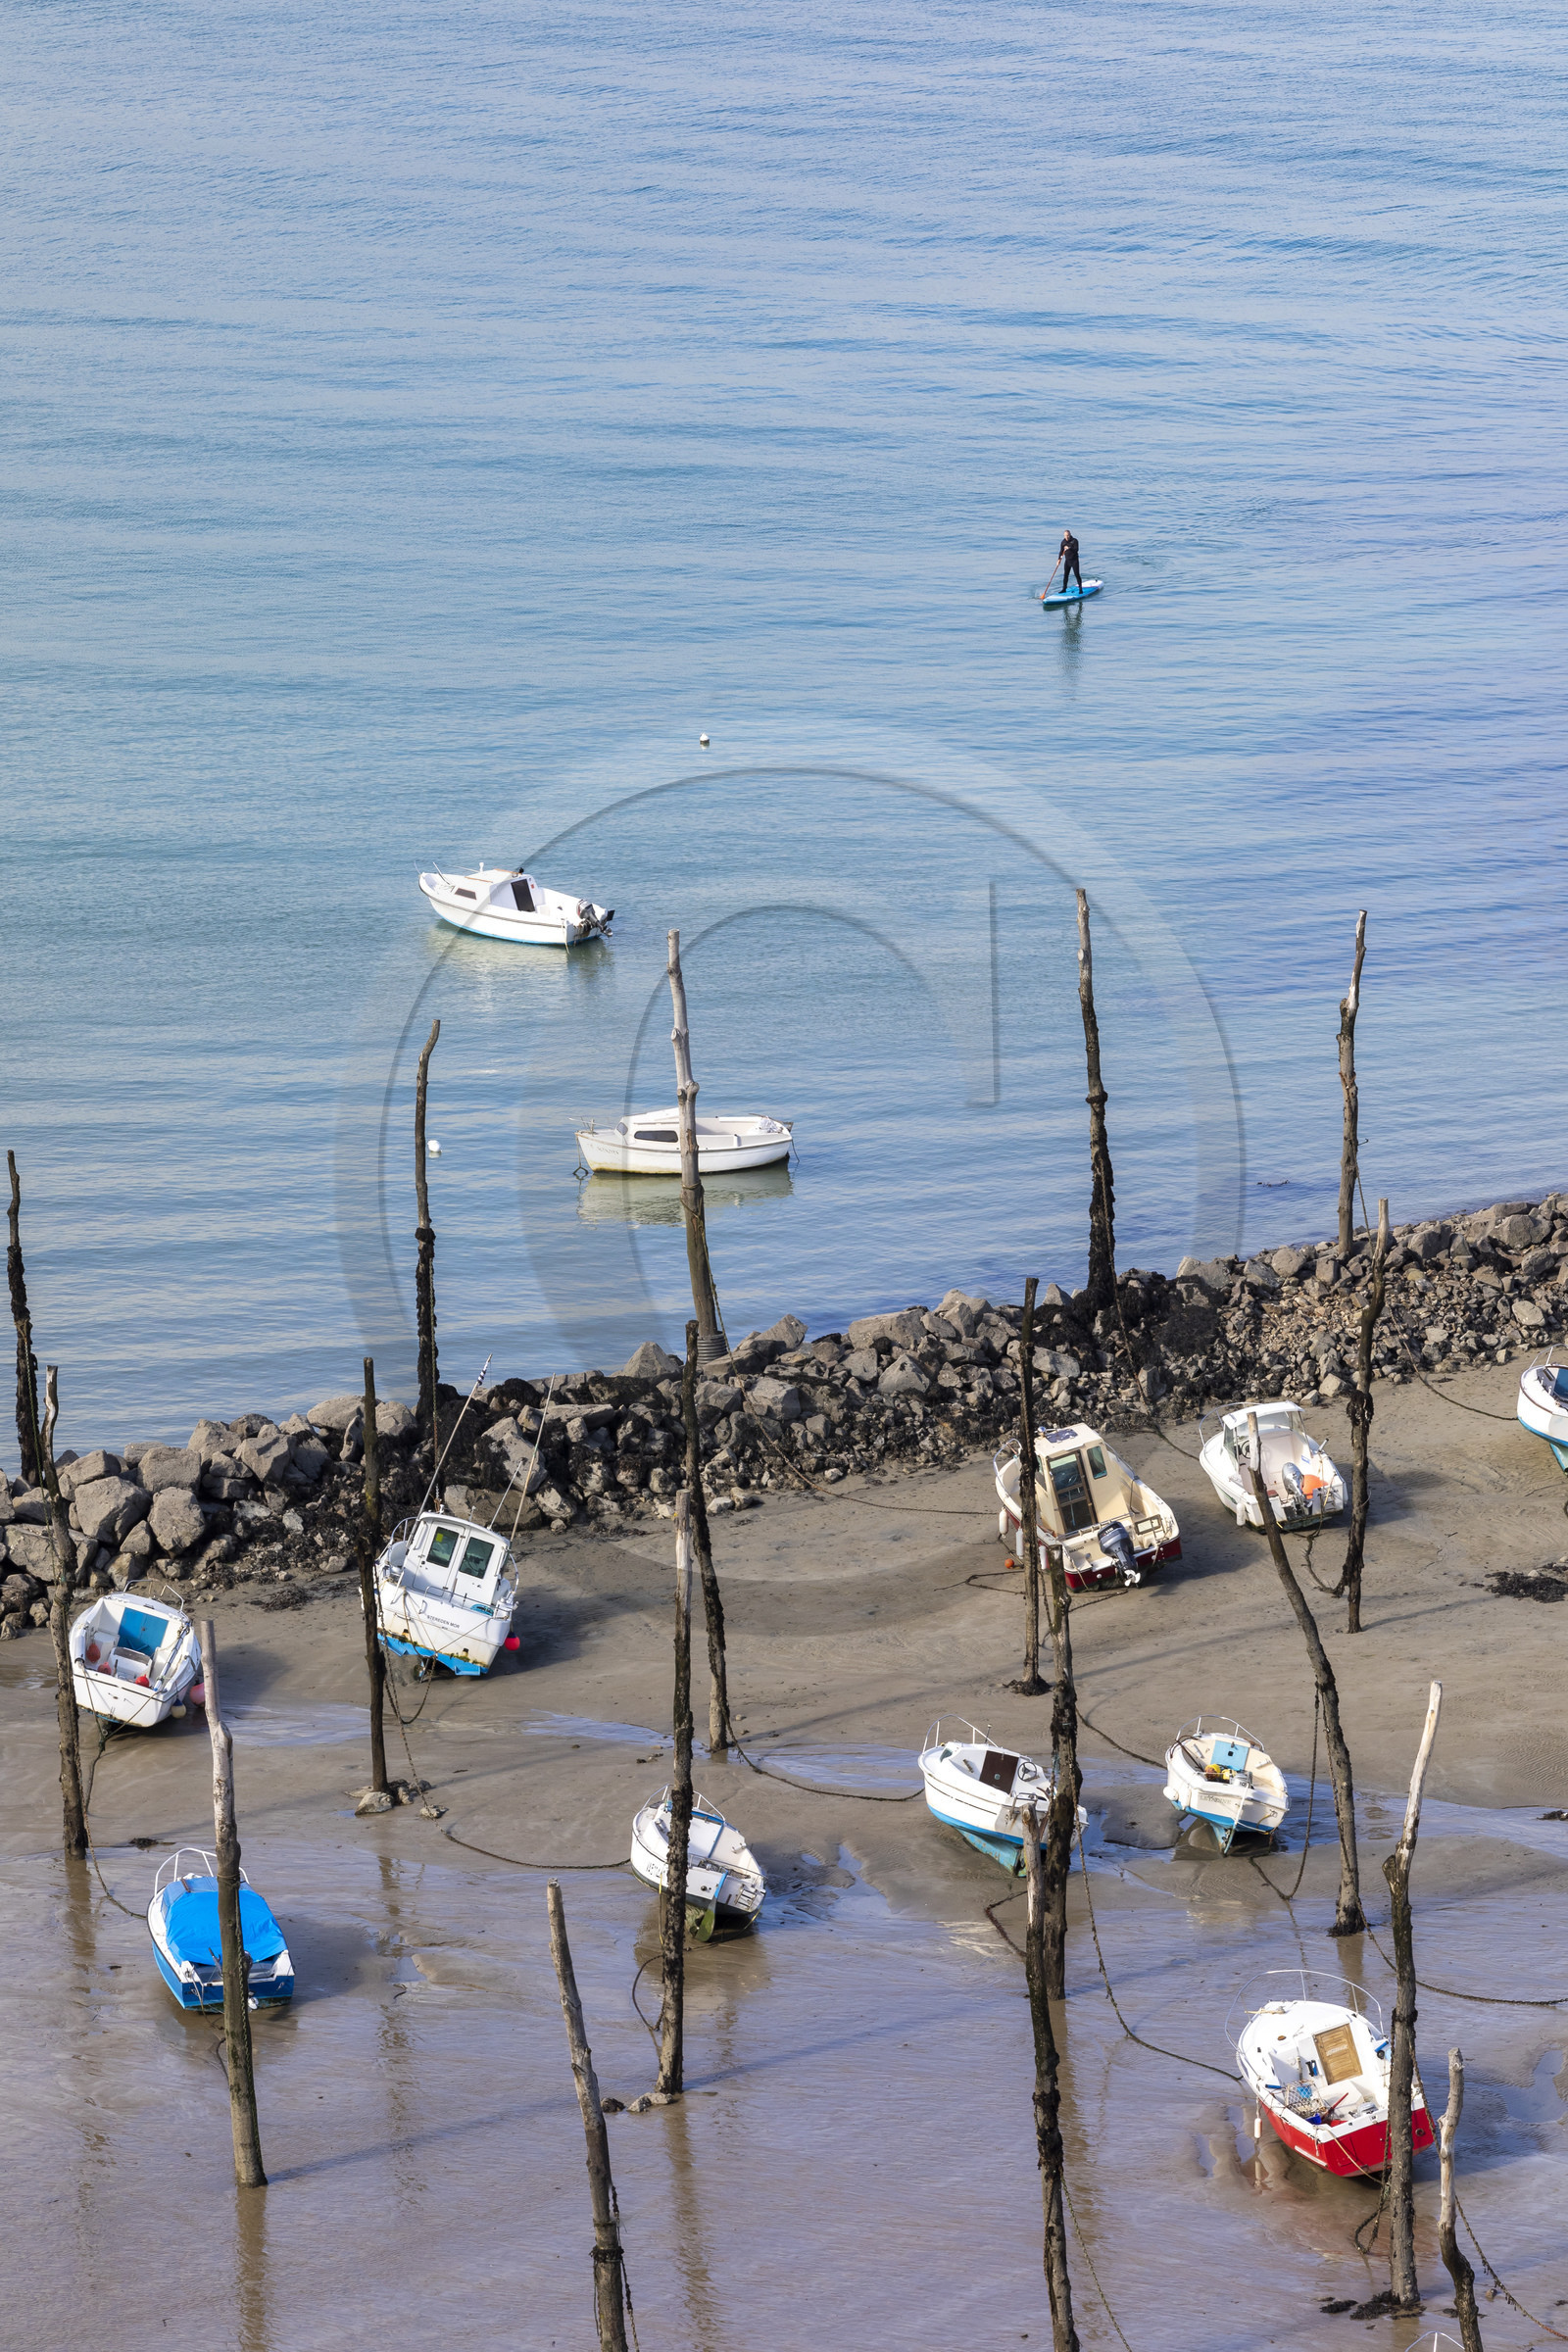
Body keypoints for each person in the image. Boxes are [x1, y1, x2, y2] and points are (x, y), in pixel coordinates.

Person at [1057, 528, 1082, 596]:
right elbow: (1061, 551)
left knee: (1077, 575)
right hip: (1067, 561)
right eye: (1065, 535)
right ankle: (1064, 589)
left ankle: (1080, 589)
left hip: (1074, 561)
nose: (1067, 537)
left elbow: (1076, 549)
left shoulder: (1074, 541)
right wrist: (1059, 559)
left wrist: (1069, 548)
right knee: (1066, 575)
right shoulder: (1063, 542)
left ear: (1070, 535)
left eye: (1068, 535)